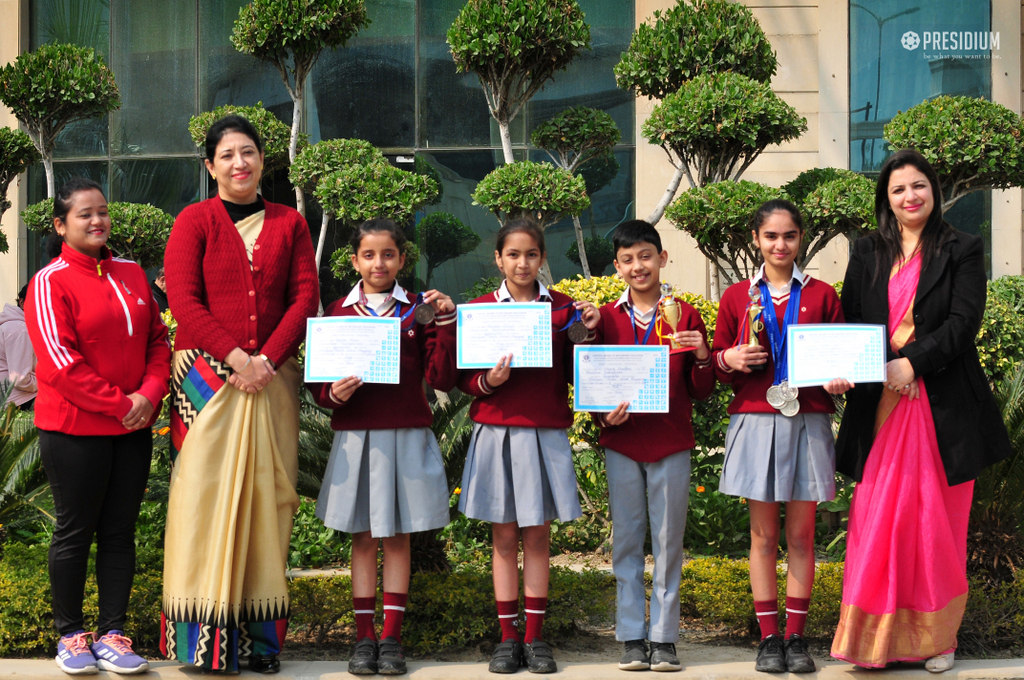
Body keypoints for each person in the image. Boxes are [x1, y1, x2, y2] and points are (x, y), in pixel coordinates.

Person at [827, 149, 1011, 672]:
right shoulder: (867, 250)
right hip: (880, 403)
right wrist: (860, 367)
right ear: (886, 199)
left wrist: (911, 365)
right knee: (877, 518)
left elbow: (963, 320)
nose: (910, 197)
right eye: (898, 189)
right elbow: (855, 319)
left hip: (943, 405)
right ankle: (872, 643)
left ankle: (937, 641)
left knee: (936, 523)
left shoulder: (963, 248)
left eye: (919, 186)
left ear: (933, 189)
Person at [160, 114, 319, 674]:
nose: (239, 163)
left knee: (270, 501)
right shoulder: (194, 221)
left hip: (272, 381)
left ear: (262, 160)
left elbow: (304, 299)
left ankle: (261, 645)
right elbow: (183, 301)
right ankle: (200, 644)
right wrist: (236, 360)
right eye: (227, 155)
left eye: (248, 152)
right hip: (205, 383)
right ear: (211, 166)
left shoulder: (290, 223)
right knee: (201, 503)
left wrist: (265, 361)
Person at [24, 177, 171, 675]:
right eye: (85, 214)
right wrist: (121, 403)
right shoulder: (50, 282)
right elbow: (60, 363)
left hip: (131, 428)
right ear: (61, 225)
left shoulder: (132, 273)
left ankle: (113, 633)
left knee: (118, 533)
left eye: (102, 211)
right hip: (74, 431)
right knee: (74, 531)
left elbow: (158, 339)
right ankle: (70, 636)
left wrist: (148, 396)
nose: (97, 221)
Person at [310, 218, 458, 676]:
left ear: (402, 259)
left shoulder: (419, 310)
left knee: (397, 537)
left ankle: (391, 637)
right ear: (354, 260)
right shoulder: (336, 312)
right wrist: (335, 392)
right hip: (357, 436)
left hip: (407, 433)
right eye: (369, 255)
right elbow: (318, 387)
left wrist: (448, 321)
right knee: (363, 537)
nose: (379, 263)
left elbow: (442, 377)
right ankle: (363, 638)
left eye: (388, 254)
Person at [458, 218, 600, 674]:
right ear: (498, 259)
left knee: (538, 535)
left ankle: (536, 638)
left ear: (543, 258)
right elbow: (463, 380)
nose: (523, 263)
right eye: (513, 254)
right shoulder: (479, 310)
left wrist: (590, 331)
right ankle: (507, 638)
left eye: (531, 254)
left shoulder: (563, 311)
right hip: (496, 429)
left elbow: (584, 371)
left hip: (544, 430)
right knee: (503, 537)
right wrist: (488, 380)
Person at [711, 200, 843, 674]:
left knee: (802, 536)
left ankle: (796, 636)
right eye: (771, 236)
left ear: (800, 238)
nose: (780, 244)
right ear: (756, 239)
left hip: (807, 418)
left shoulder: (823, 295)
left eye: (788, 236)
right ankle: (769, 638)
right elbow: (715, 364)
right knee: (764, 536)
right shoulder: (735, 298)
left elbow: (838, 355)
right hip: (755, 417)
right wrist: (730, 359)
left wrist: (838, 377)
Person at [592, 219, 715, 672]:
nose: (637, 266)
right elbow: (591, 377)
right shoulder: (605, 318)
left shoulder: (685, 313)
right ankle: (630, 635)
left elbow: (702, 390)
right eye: (627, 260)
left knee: (668, 543)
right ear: (617, 267)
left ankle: (664, 638)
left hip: (670, 441)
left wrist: (702, 354)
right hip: (622, 442)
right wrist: (602, 414)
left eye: (646, 256)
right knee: (625, 541)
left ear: (662, 259)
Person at [0, 284, 37, 410]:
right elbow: (20, 379)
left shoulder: (11, 325)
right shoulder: (20, 329)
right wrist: (48, 383)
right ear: (22, 302)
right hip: (16, 402)